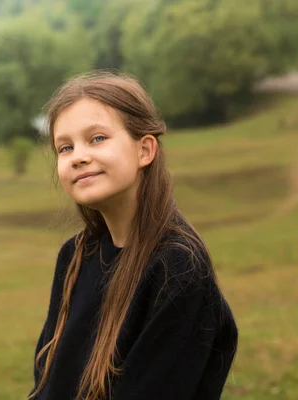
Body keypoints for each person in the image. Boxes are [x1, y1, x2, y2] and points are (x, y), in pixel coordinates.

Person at [28, 72, 238, 400]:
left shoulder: (177, 267)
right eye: (65, 147)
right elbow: (46, 385)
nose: (79, 156)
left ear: (145, 150)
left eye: (97, 138)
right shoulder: (74, 256)